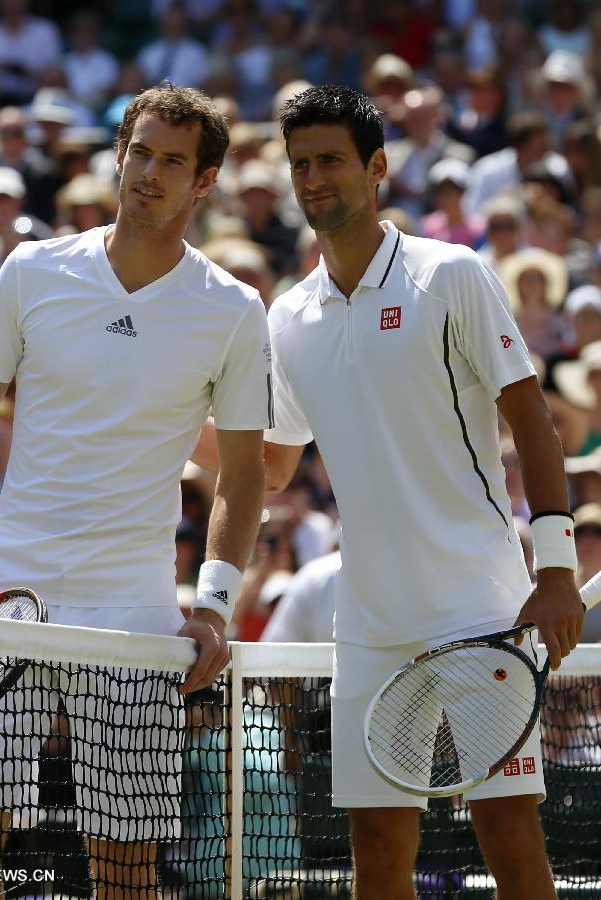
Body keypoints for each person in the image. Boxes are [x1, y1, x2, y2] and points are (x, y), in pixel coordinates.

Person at [192, 84, 583, 900]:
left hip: (483, 609)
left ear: (376, 169)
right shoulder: (288, 316)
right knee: (374, 850)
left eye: (330, 160)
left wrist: (553, 571)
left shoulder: (452, 274)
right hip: (367, 628)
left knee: (509, 835)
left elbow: (532, 422)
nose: (312, 178)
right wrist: (162, 427)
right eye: (299, 164)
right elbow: (268, 468)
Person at [0, 85, 270, 899]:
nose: (148, 173)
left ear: (205, 181)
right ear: (118, 156)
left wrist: (215, 604)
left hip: (134, 614)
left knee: (125, 869)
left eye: (172, 161)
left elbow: (246, 474)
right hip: (5, 597)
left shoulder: (232, 308)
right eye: (139, 152)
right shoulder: (33, 269)